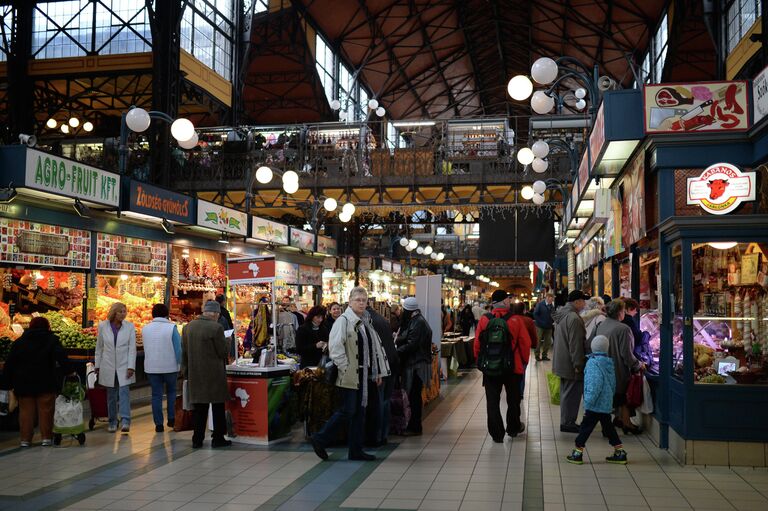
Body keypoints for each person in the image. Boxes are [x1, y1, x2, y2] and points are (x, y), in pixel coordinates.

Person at [310, 287, 390, 461]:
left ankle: (355, 450)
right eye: (358, 300)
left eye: (364, 300)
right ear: (350, 301)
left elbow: (372, 349)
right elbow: (335, 347)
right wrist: (345, 368)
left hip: (364, 374)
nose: (362, 303)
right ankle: (320, 438)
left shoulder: (365, 321)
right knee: (348, 410)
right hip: (350, 375)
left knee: (359, 413)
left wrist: (375, 371)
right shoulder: (344, 321)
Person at [1, 317, 71, 447]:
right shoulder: (52, 340)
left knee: (26, 412)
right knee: (46, 410)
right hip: (46, 382)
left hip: (24, 383)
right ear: (47, 326)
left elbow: (10, 363)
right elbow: (61, 357)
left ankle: (25, 440)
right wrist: (69, 371)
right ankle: (46, 438)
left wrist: (6, 382)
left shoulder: (19, 342)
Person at [473, 290, 532, 442]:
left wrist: (481, 362)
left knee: (492, 401)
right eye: (508, 299)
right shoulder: (515, 320)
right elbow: (525, 343)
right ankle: (513, 428)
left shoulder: (485, 320)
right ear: (505, 302)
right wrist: (523, 361)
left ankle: (497, 434)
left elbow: (477, 344)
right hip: (512, 366)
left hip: (491, 367)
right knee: (513, 399)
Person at [566, 335, 628, 465]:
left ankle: (578, 452)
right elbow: (612, 383)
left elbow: (595, 384)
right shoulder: (608, 362)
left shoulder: (593, 363)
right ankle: (620, 451)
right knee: (609, 428)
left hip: (595, 404)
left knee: (585, 428)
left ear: (593, 347)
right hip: (605, 403)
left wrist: (588, 401)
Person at [181, 300, 231, 448]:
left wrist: (185, 372)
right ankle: (218, 438)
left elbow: (183, 352)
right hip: (213, 374)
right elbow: (222, 352)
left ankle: (197, 439)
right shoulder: (216, 328)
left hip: (195, 373)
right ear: (215, 314)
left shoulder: (188, 327)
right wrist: (228, 341)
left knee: (199, 409)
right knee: (217, 407)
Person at [593, 299, 644, 434]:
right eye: (623, 310)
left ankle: (617, 422)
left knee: (610, 398)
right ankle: (625, 424)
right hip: (617, 370)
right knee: (622, 398)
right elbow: (626, 354)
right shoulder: (623, 329)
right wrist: (638, 365)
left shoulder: (601, 325)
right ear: (620, 312)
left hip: (602, 367)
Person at [95, 302, 137, 433]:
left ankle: (125, 421)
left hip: (124, 364)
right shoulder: (102, 326)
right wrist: (97, 365)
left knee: (124, 393)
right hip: (107, 365)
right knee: (111, 395)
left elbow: (132, 348)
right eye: (121, 312)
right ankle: (112, 421)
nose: (123, 314)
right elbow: (99, 347)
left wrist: (131, 366)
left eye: (125, 311)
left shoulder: (129, 327)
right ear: (114, 313)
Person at [396, 297, 433, 436]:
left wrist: (396, 350)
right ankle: (414, 425)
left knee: (414, 396)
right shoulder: (417, 320)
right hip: (417, 363)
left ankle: (415, 427)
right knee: (414, 396)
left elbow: (412, 344)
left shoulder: (418, 323)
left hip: (417, 365)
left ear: (408, 309)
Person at [142, 304, 182, 432]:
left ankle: (158, 424)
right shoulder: (171, 328)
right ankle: (171, 419)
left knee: (156, 395)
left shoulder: (145, 328)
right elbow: (178, 349)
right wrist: (180, 365)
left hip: (151, 367)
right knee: (171, 392)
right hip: (170, 367)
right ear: (167, 314)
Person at [552, 290, 587, 433]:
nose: (585, 304)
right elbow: (576, 344)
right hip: (570, 363)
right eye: (583, 301)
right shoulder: (573, 318)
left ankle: (566, 421)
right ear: (577, 302)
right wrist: (578, 365)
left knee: (567, 394)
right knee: (572, 394)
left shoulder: (564, 315)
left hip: (562, 360)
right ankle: (568, 423)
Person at [366, 303, 399, 447]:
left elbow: (373, 349)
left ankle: (377, 436)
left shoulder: (368, 322)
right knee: (385, 401)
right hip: (391, 363)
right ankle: (384, 435)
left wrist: (375, 370)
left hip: (381, 367)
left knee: (378, 403)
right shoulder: (381, 319)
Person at [533, 293, 555, 361]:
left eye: (552, 300)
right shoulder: (540, 304)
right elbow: (535, 314)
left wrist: (553, 321)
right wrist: (540, 321)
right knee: (538, 341)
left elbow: (553, 314)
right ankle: (537, 356)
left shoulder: (552, 306)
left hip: (549, 326)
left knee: (548, 342)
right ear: (547, 298)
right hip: (540, 326)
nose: (551, 301)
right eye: (551, 300)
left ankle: (544, 355)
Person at [215, 294, 236, 360]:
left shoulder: (216, 311)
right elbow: (229, 326)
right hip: (224, 337)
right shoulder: (224, 312)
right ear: (223, 302)